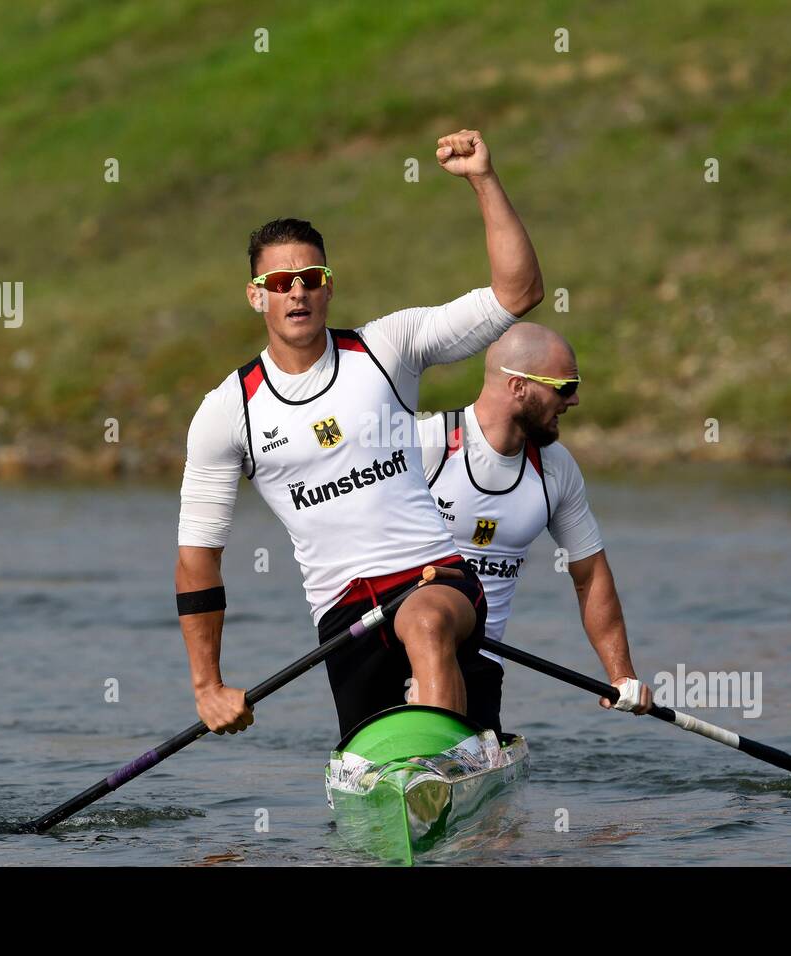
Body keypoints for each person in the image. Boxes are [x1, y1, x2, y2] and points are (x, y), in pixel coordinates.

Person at [176, 130, 544, 739]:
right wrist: (208, 686)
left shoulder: (386, 349)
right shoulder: (227, 412)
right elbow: (197, 559)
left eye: (311, 277)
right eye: (280, 283)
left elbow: (518, 293)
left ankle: (443, 768)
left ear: (329, 286)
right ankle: (431, 762)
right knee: (369, 750)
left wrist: (482, 179)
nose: (297, 291)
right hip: (345, 615)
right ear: (255, 297)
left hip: (435, 581)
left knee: (424, 625)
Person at [417, 322, 653, 735]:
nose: (575, 399)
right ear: (519, 387)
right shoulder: (427, 443)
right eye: (565, 386)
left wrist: (621, 675)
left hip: (480, 654)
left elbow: (590, 574)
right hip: (396, 637)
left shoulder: (556, 469)